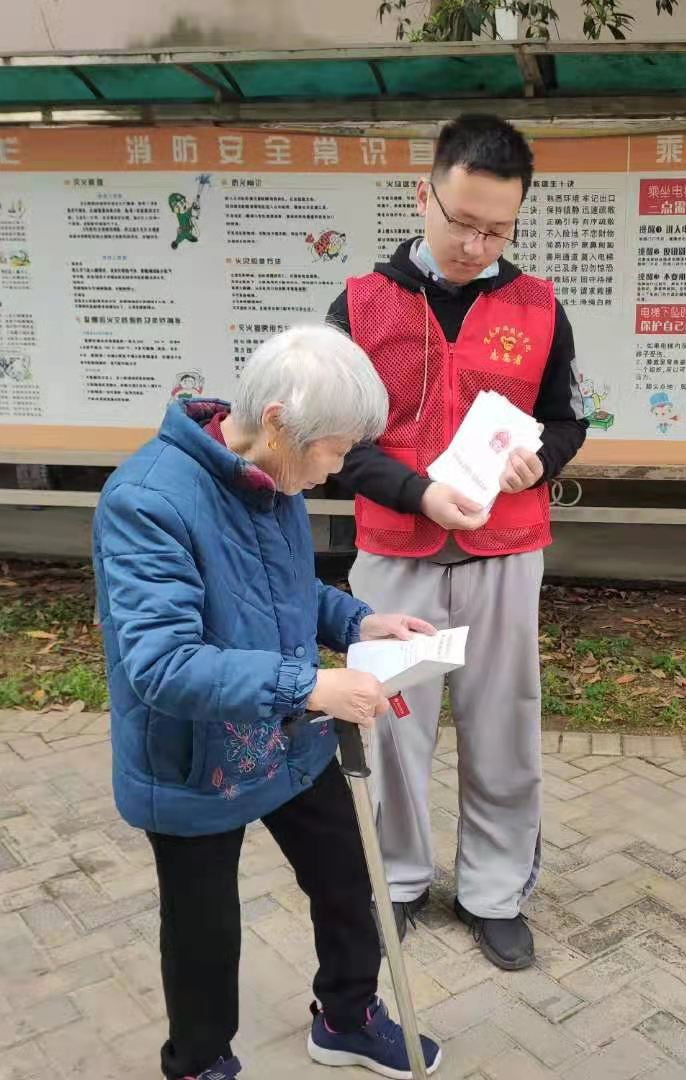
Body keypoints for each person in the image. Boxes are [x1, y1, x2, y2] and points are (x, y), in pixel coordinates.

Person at [92, 324, 442, 1080]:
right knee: (204, 927)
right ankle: (199, 1062)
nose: (339, 469)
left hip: (290, 734)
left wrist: (357, 622)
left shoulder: (273, 476)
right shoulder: (147, 501)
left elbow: (283, 586)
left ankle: (347, 1017)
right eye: (334, 451)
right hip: (194, 758)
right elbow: (161, 663)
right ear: (278, 423)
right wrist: (312, 684)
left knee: (347, 879)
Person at [328, 114, 588, 971]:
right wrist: (419, 493)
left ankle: (493, 891)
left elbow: (567, 419)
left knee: (503, 722)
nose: (477, 246)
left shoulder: (538, 306)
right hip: (395, 551)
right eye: (463, 222)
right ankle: (398, 880)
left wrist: (541, 459)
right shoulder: (360, 305)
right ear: (424, 195)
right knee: (391, 722)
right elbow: (335, 442)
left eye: (497, 230)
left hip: (505, 550)